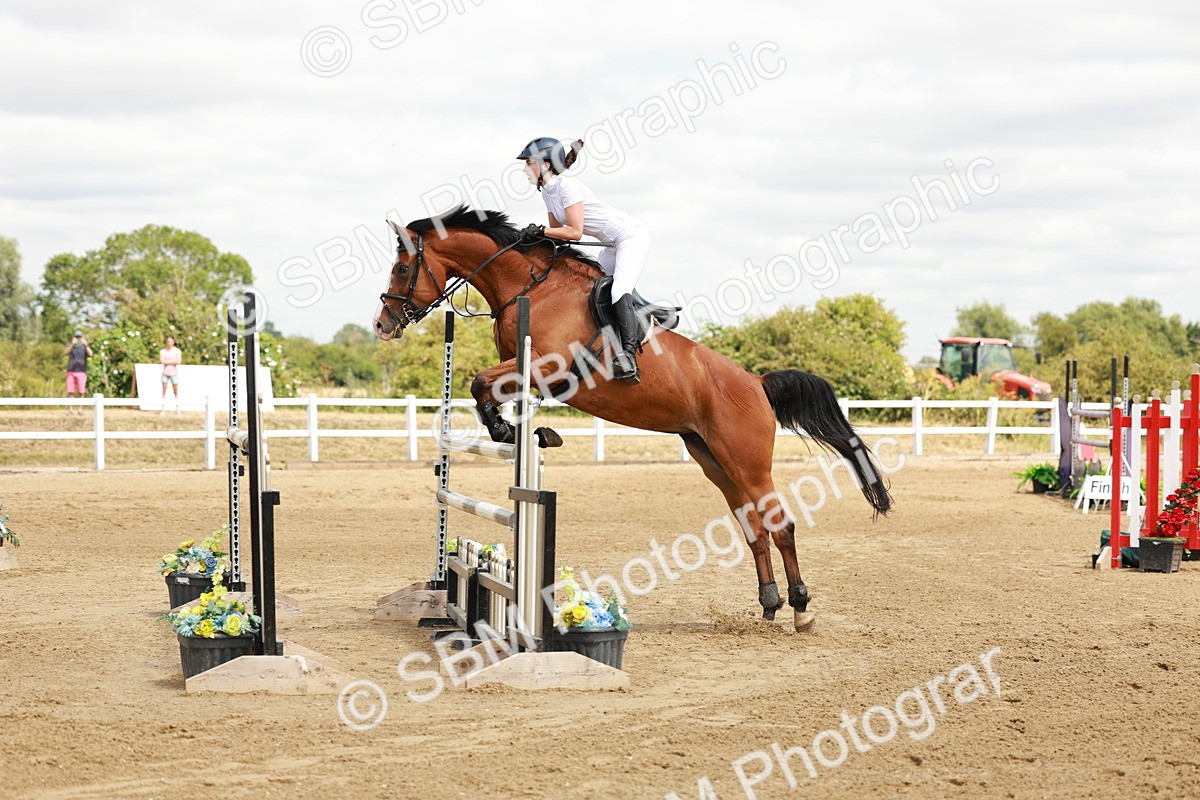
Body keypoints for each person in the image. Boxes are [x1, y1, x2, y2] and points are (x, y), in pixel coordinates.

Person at [515, 136, 650, 384]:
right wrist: (532, 238)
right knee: (595, 288)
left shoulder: (568, 187)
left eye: (528, 163)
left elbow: (574, 232)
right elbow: (558, 234)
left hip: (629, 236)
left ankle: (629, 358)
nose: (524, 169)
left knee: (618, 289)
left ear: (545, 165)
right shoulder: (548, 192)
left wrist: (541, 230)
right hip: (610, 244)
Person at [64, 331, 92, 415]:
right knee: (70, 391)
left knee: (81, 392)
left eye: (79, 337)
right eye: (77, 337)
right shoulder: (71, 346)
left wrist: (86, 345)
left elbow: (91, 354)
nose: (78, 339)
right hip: (71, 371)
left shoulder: (84, 347)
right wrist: (72, 344)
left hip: (81, 372)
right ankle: (70, 409)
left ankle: (80, 409)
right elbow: (65, 353)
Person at [159, 335, 182, 414]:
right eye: (168, 341)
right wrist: (173, 361)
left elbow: (178, 361)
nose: (169, 343)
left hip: (174, 373)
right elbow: (162, 361)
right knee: (164, 391)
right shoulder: (163, 351)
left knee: (176, 391)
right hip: (165, 372)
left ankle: (177, 409)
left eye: (171, 341)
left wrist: (167, 361)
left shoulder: (177, 351)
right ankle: (163, 409)